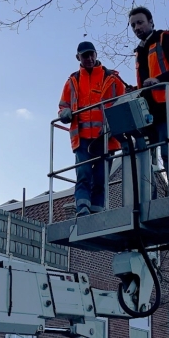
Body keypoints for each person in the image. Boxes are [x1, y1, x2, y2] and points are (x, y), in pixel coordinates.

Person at [58, 41, 126, 217]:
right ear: (78, 57)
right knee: (84, 175)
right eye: (84, 55)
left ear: (96, 54)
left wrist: (114, 126)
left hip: (106, 138)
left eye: (91, 54)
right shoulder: (73, 81)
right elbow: (63, 105)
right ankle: (82, 208)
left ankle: (97, 210)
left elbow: (123, 102)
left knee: (101, 178)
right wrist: (64, 112)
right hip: (82, 138)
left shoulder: (111, 78)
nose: (88, 58)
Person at [129, 6, 169, 199]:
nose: (137, 27)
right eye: (133, 25)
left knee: (168, 150)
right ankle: (151, 197)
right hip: (149, 108)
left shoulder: (165, 38)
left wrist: (159, 80)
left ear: (151, 22)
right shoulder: (139, 51)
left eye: (140, 22)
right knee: (148, 155)